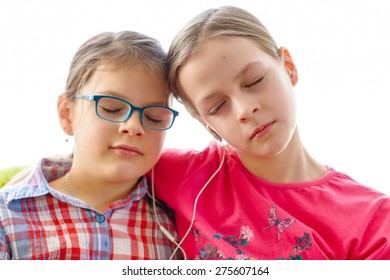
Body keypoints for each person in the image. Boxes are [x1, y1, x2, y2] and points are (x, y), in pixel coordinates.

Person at [152, 6, 390, 260]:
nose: (245, 109)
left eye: (254, 81)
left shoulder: (373, 221)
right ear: (205, 123)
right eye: (218, 106)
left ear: (288, 66)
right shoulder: (184, 176)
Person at [0, 31, 181, 260]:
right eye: (111, 108)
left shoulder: (179, 226)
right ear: (67, 115)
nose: (134, 126)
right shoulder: (7, 216)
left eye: (155, 117)